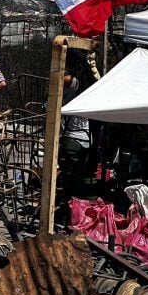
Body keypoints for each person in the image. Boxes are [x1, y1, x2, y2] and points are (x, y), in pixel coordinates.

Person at [59, 70, 91, 200]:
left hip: (72, 140)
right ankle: (75, 204)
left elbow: (67, 78)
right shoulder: (86, 95)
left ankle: (69, 205)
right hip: (85, 140)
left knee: (68, 179)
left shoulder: (68, 95)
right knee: (78, 177)